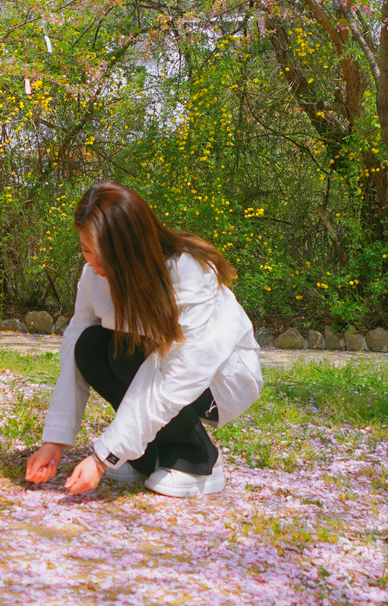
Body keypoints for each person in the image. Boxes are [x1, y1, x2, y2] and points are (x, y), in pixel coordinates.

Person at [25, 182, 263, 497]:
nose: (95, 266)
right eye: (85, 250)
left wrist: (103, 457)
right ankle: (148, 456)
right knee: (90, 345)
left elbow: (180, 376)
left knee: (129, 351)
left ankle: (199, 459)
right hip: (158, 367)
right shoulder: (93, 277)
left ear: (131, 245)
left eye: (104, 255)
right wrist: (55, 439)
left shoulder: (187, 275)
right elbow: (75, 347)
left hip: (216, 382)